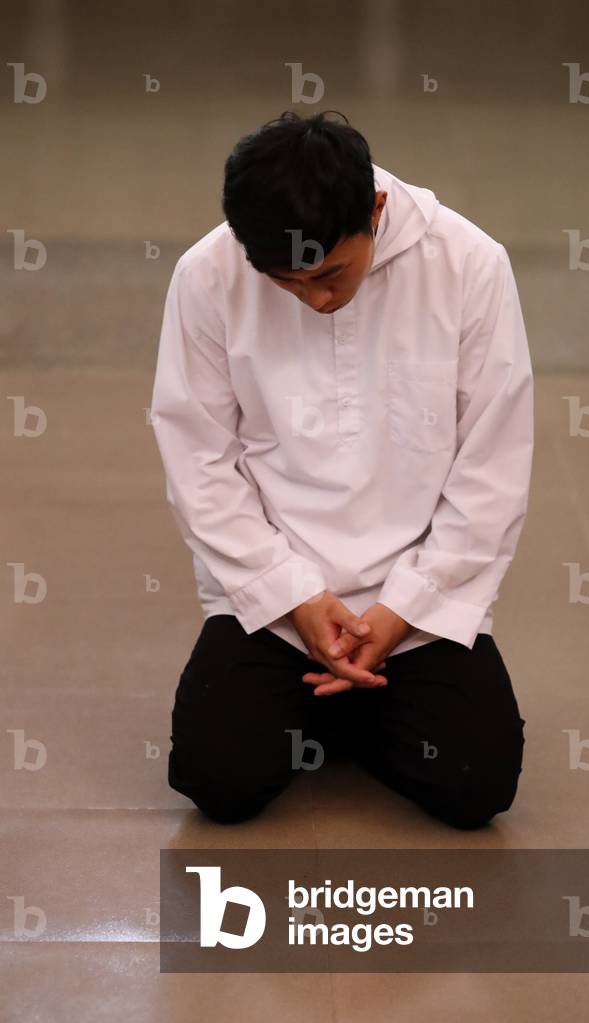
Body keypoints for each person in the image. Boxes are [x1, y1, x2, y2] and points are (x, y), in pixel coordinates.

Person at [150, 109, 533, 829]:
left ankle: (338, 710)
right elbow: (199, 461)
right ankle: (352, 706)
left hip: (416, 604)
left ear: (377, 209)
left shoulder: (470, 265)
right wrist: (294, 595)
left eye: (331, 273)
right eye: (288, 283)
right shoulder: (207, 275)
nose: (315, 299)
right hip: (274, 600)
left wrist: (402, 608)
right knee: (216, 779)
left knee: (476, 783)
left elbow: (493, 463)